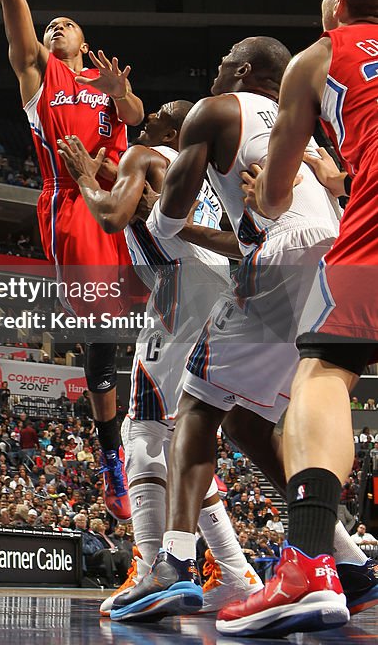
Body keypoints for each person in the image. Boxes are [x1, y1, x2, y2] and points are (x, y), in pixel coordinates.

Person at [110, 37, 370, 623]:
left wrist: (162, 222)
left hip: (281, 260)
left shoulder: (219, 109)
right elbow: (257, 231)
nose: (218, 67)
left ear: (243, 71)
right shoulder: (303, 128)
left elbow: (172, 205)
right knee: (252, 423)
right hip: (333, 263)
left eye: (226, 59)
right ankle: (345, 562)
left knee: (195, 408)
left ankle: (172, 563)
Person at [0, 0, 144, 520]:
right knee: (103, 341)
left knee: (147, 330)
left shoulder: (106, 87)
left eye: (64, 22)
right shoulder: (39, 75)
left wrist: (125, 105)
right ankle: (110, 457)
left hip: (124, 208)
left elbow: (134, 123)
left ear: (85, 38)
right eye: (49, 23)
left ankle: (135, 437)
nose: (53, 25)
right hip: (71, 209)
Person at [219, 0, 378, 635]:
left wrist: (268, 196)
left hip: (367, 243)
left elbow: (277, 187)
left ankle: (308, 567)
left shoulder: (318, 56)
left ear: (337, 2)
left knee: (320, 376)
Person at [58, 103, 262, 615]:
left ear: (174, 130)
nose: (147, 118)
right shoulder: (208, 178)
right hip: (227, 295)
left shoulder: (143, 154)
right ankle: (235, 571)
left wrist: (86, 178)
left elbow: (111, 215)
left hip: (179, 292)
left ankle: (153, 568)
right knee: (183, 441)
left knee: (144, 430)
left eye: (159, 116)